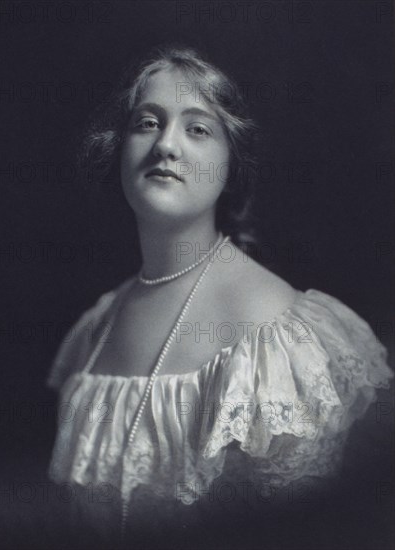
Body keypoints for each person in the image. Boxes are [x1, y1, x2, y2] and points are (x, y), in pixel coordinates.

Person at [46, 44, 393, 549]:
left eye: (198, 129)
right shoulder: (94, 328)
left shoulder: (278, 334)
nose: (166, 145)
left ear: (230, 165)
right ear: (117, 147)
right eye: (147, 122)